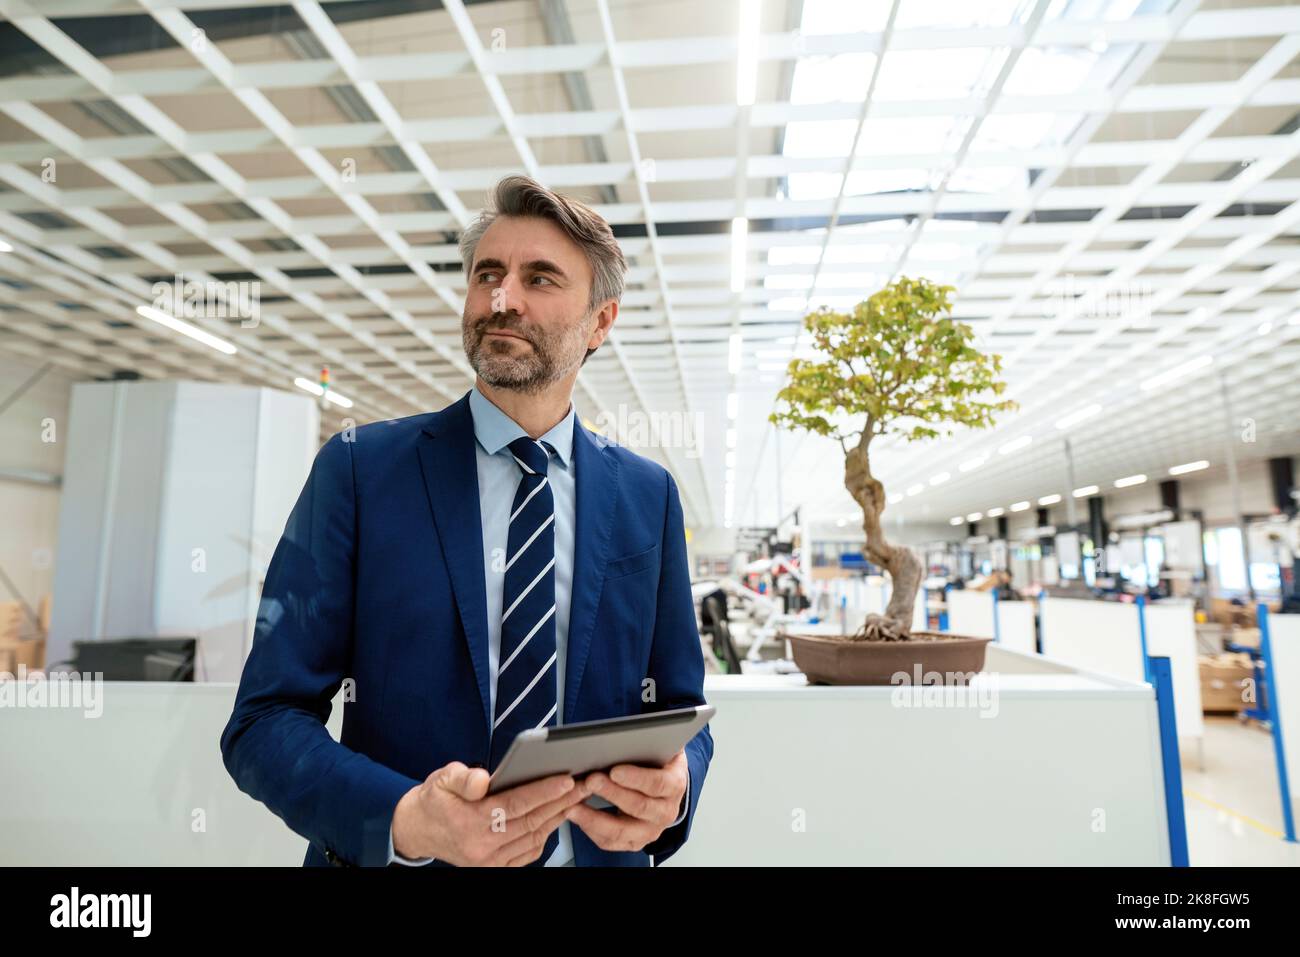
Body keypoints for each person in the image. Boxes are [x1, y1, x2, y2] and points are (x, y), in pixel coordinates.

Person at [221, 175, 713, 867]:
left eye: (540, 278)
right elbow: (262, 721)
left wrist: (679, 783)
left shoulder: (647, 495)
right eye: (488, 273)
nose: (501, 299)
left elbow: (680, 711)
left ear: (601, 322)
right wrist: (403, 819)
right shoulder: (361, 472)